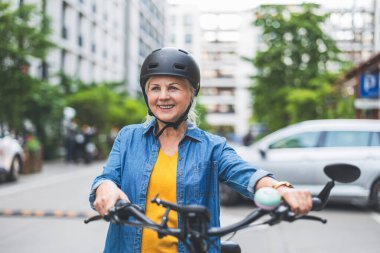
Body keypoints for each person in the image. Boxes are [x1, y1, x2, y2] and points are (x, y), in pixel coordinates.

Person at [89, 47, 312, 253]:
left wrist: (281, 189)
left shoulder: (212, 147)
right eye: (155, 88)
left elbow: (247, 175)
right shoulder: (129, 137)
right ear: (147, 94)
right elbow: (107, 178)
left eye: (173, 88)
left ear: (192, 93)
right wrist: (105, 188)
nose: (163, 96)